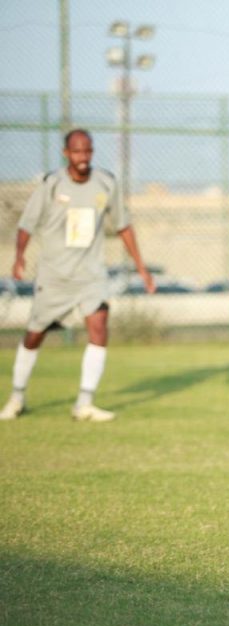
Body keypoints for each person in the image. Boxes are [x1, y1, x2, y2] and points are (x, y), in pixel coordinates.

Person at [0, 129, 155, 422]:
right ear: (66, 153)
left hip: (90, 274)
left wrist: (142, 268)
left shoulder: (106, 183)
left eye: (87, 151)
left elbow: (123, 225)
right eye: (77, 151)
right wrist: (19, 256)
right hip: (55, 276)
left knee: (99, 326)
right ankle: (17, 397)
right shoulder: (51, 184)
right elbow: (26, 224)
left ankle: (84, 403)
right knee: (34, 334)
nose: (83, 157)